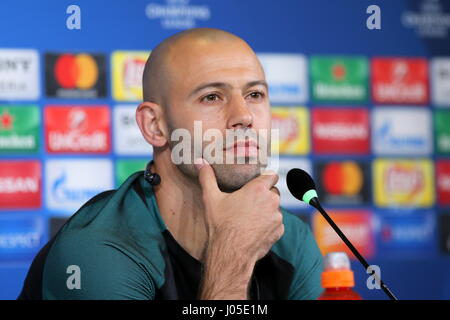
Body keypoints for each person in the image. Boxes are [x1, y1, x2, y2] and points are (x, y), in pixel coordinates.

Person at [18, 28, 323, 300]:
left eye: (255, 94)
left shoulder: (288, 238)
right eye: (212, 97)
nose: (243, 115)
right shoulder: (98, 251)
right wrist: (233, 254)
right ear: (155, 125)